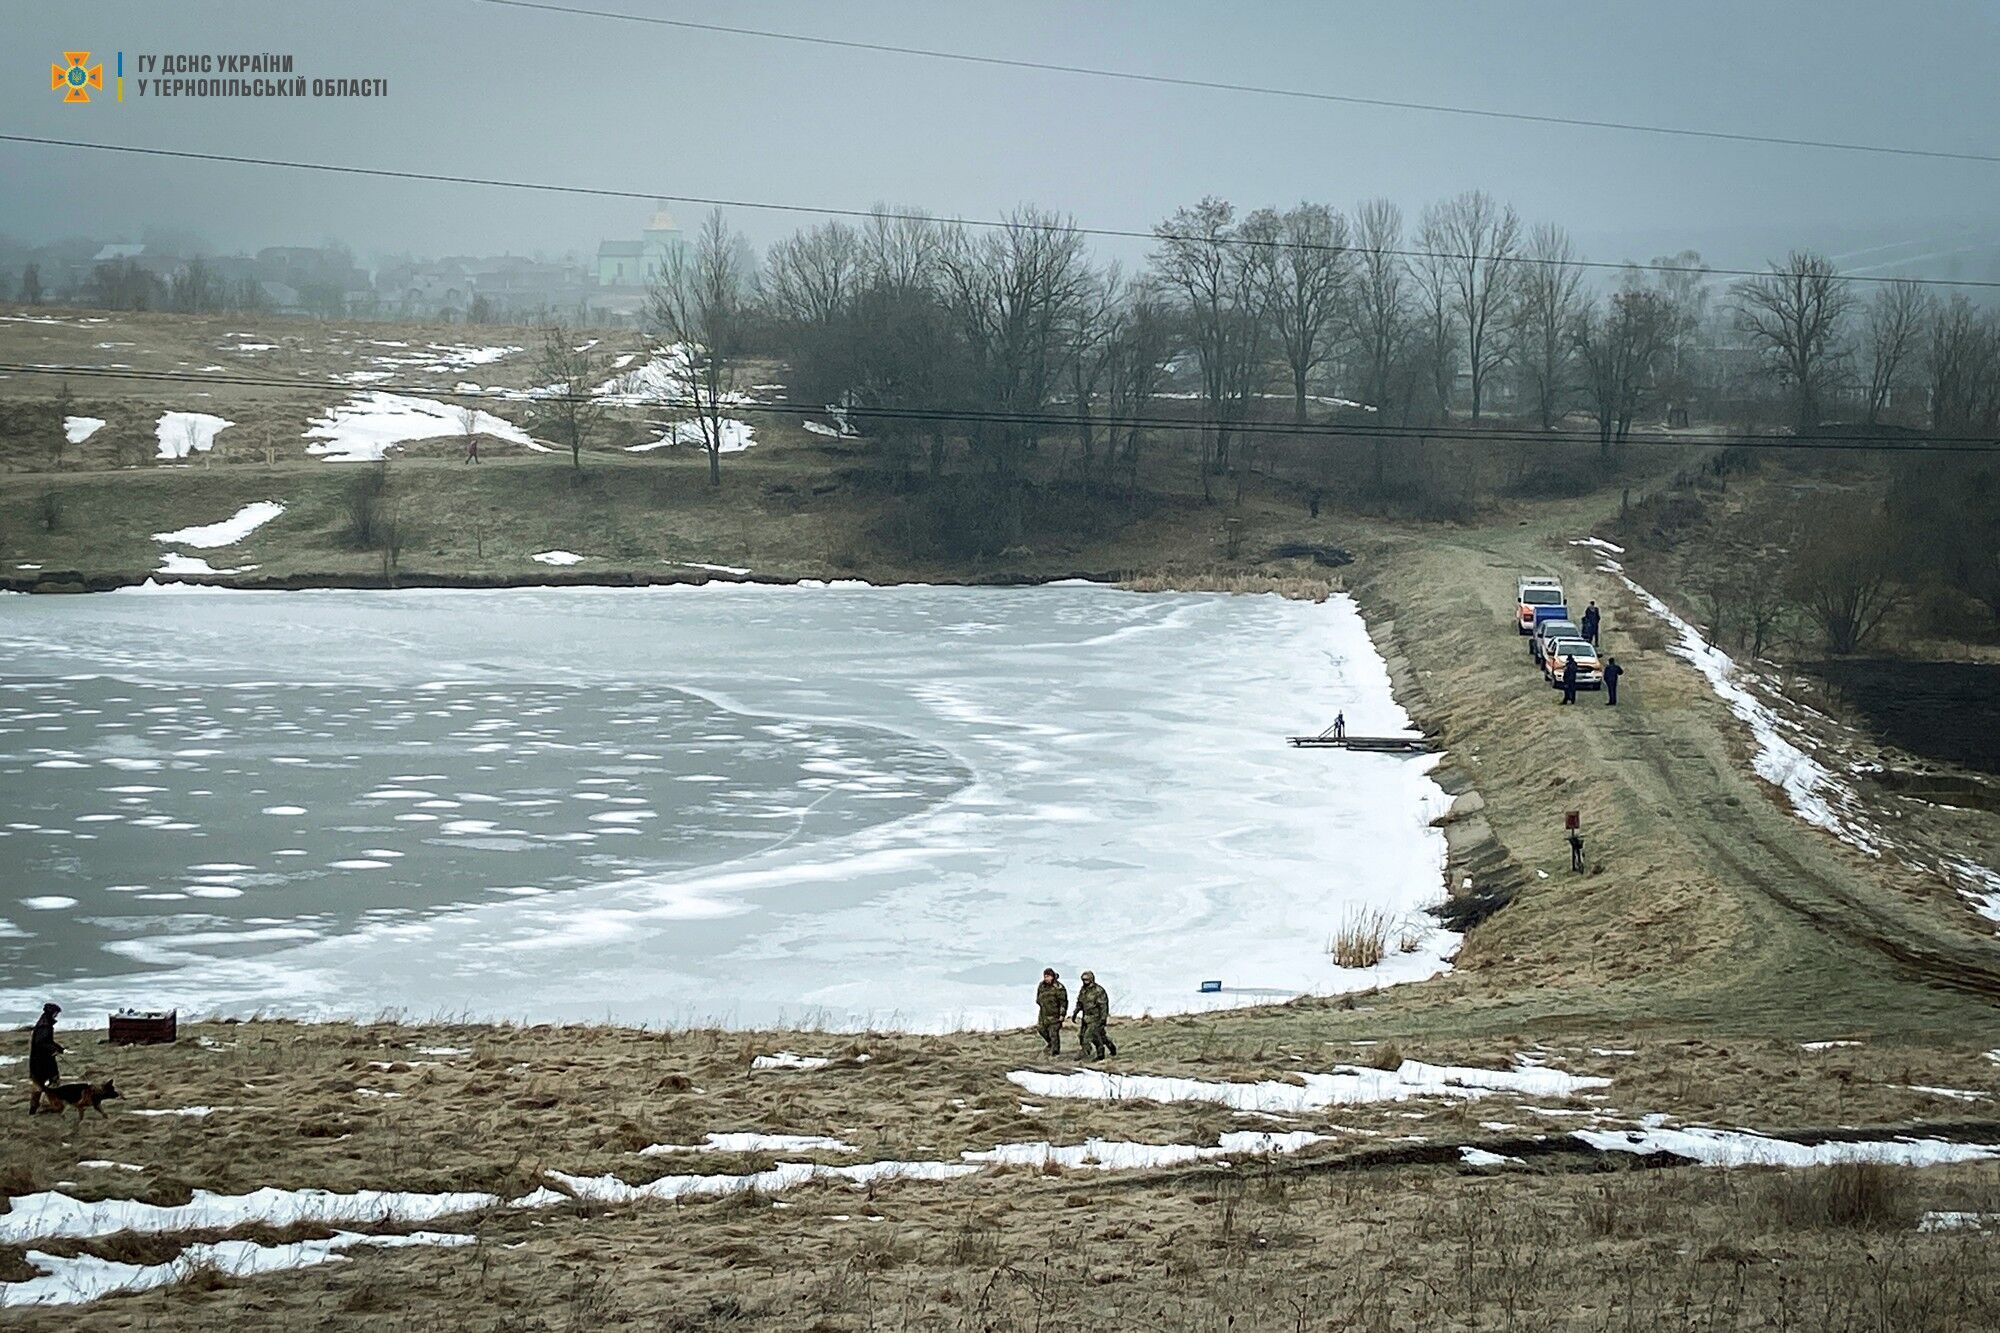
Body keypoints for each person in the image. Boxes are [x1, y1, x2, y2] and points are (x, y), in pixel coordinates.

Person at [1073, 970, 1116, 1061]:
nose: (1085, 982)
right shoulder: (1083, 990)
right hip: (1086, 1018)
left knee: (1090, 1037)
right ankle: (1111, 1046)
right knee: (1085, 1036)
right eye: (1084, 980)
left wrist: (1103, 1019)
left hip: (1096, 1018)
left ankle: (1097, 1055)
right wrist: (1075, 1013)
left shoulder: (1098, 991)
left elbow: (1103, 1006)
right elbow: (1080, 1002)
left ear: (1091, 979)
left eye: (1087, 980)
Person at [28, 1002, 62, 1115]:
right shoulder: (45, 1026)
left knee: (40, 1084)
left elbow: (47, 1041)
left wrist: (58, 1048)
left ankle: (35, 1107)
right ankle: (53, 1105)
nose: (56, 1016)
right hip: (43, 1061)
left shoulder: (44, 1023)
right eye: (55, 1013)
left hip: (39, 1060)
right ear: (51, 1013)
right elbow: (41, 1043)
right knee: (52, 1081)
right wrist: (53, 1049)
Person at [1034, 968, 1068, 1056]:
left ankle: (1055, 1053)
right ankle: (1050, 1044)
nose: (1046, 978)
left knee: (1053, 1033)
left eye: (1048, 976)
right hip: (1043, 1014)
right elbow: (1038, 998)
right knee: (1041, 1029)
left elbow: (1063, 1002)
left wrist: (1062, 1015)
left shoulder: (1059, 988)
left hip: (1055, 1014)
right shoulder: (1041, 986)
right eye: (1045, 976)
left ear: (1052, 977)